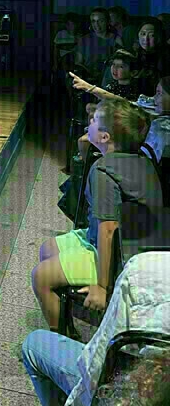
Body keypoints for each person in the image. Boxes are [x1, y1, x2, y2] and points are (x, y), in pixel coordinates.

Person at [31, 99, 161, 334]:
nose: (89, 121)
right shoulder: (139, 158)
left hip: (122, 257)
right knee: (48, 248)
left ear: (105, 137)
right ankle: (65, 314)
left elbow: (108, 229)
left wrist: (102, 286)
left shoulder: (103, 171)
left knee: (40, 276)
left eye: (94, 121)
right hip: (130, 242)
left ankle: (61, 339)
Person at [22, 251, 170, 406]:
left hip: (131, 387)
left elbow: (98, 362)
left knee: (33, 343)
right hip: (151, 379)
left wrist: (102, 286)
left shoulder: (144, 268)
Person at [70, 50, 142, 161]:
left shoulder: (134, 90)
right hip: (106, 122)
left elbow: (120, 101)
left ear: (133, 72)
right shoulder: (113, 85)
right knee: (90, 108)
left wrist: (90, 88)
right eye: (113, 64)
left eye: (121, 67)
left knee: (82, 141)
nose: (114, 69)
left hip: (116, 128)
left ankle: (90, 164)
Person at [74, 9, 117, 81]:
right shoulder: (84, 40)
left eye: (101, 21)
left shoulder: (116, 39)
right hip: (88, 78)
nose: (96, 24)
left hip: (110, 78)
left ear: (108, 21)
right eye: (93, 21)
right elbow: (78, 63)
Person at [133, 18, 170, 96]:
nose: (146, 39)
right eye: (143, 34)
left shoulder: (166, 56)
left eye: (152, 35)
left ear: (159, 36)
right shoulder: (136, 54)